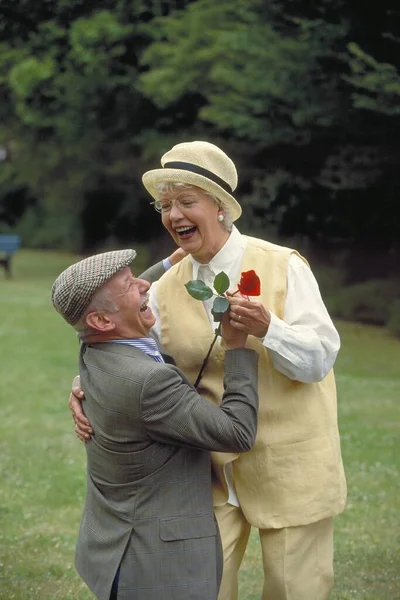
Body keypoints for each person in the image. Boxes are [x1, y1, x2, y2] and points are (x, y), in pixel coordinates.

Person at [71, 141, 347, 600]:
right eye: (165, 205)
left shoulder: (283, 265)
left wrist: (269, 329)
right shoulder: (163, 289)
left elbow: (319, 359)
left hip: (292, 466)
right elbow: (128, 354)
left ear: (220, 208)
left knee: (294, 590)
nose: (173, 214)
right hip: (211, 472)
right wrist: (83, 385)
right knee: (204, 589)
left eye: (186, 202)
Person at [52, 248, 259, 600]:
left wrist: (171, 261)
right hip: (157, 568)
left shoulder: (94, 344)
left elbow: (122, 297)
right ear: (101, 321)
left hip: (114, 547)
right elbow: (237, 432)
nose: (144, 286)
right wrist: (237, 347)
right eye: (131, 285)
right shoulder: (149, 382)